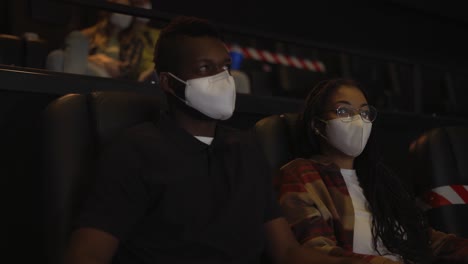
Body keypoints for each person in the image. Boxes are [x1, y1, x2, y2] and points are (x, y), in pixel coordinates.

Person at [63, 16, 366, 264]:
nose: (222, 78)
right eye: (206, 68)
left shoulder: (246, 148)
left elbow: (286, 252)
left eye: (225, 67)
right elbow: (86, 256)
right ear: (168, 82)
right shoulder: (135, 151)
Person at [274, 78, 468, 264]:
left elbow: (423, 238)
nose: (359, 121)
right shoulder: (301, 174)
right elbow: (316, 251)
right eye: (344, 111)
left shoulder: (381, 180)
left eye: (365, 113)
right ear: (317, 125)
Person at [46, 0, 145, 80]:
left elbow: (126, 72)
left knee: (56, 57)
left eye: (126, 10)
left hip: (106, 78)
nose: (122, 14)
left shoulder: (135, 41)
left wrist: (99, 59)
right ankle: (71, 92)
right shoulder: (93, 32)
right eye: (119, 8)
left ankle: (68, 90)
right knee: (57, 55)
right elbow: (72, 53)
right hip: (82, 68)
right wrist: (101, 59)